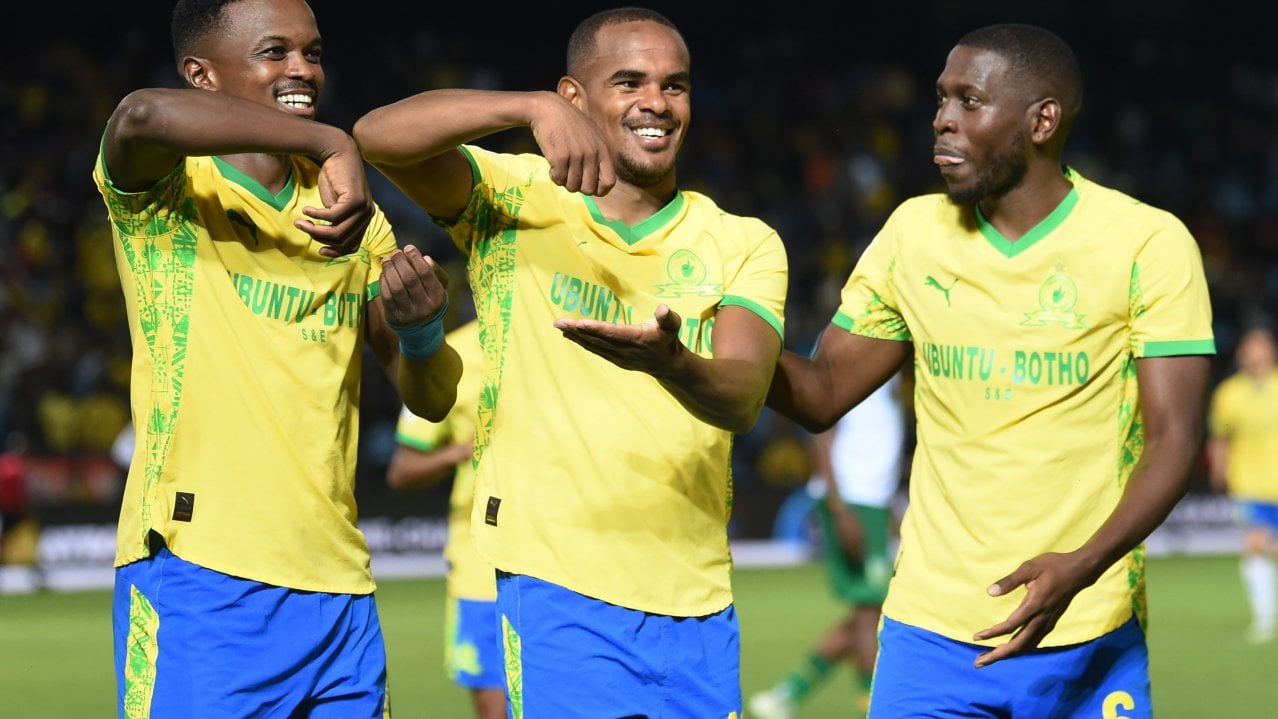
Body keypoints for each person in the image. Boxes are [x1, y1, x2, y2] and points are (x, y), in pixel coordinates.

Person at [766, 23, 1215, 718]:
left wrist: (1082, 565)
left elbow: (1174, 442)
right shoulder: (913, 233)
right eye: (941, 99)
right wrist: (696, 353)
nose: (942, 119)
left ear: (1042, 120)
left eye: (968, 101)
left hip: (1087, 628)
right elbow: (822, 392)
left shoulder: (1146, 243)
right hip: (928, 633)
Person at [353, 6, 787, 716]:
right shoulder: (513, 194)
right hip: (555, 581)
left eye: (674, 85)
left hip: (699, 593)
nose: (657, 102)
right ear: (575, 97)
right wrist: (529, 107)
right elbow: (377, 137)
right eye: (629, 82)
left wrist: (673, 363)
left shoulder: (744, 242)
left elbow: (742, 397)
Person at [92, 0, 463, 716]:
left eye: (313, 52)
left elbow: (433, 397)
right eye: (275, 52)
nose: (302, 69)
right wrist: (332, 140)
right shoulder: (169, 191)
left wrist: (421, 331)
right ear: (201, 74)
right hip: (201, 576)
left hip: (340, 586)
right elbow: (139, 116)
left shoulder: (349, 213)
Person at [749, 372, 907, 718]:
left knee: (871, 610)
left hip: (875, 502)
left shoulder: (892, 371)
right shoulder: (858, 356)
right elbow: (820, 429)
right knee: (869, 611)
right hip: (851, 501)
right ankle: (869, 706)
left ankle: (786, 695)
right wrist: (838, 506)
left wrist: (891, 505)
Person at [386, 318, 505, 718]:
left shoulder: (560, 343)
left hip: (562, 559)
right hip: (481, 566)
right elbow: (402, 470)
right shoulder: (447, 356)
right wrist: (463, 451)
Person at [1206, 324, 1278, 644]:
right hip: (1248, 483)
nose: (1256, 355)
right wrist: (1219, 470)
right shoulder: (1229, 393)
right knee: (1255, 546)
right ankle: (1265, 618)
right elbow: (1219, 436)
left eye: (1261, 348)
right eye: (1250, 349)